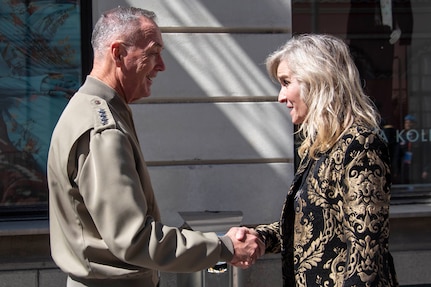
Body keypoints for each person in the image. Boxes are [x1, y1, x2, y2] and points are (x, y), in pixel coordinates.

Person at [47, 7, 263, 287]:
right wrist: (225, 247)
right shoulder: (104, 129)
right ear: (118, 53)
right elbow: (134, 239)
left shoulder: (91, 109)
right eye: (152, 52)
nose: (161, 65)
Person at [239, 34, 398, 286]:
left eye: (286, 82)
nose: (280, 97)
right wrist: (257, 237)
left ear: (316, 80)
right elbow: (311, 229)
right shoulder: (322, 146)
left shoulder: (361, 145)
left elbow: (366, 255)